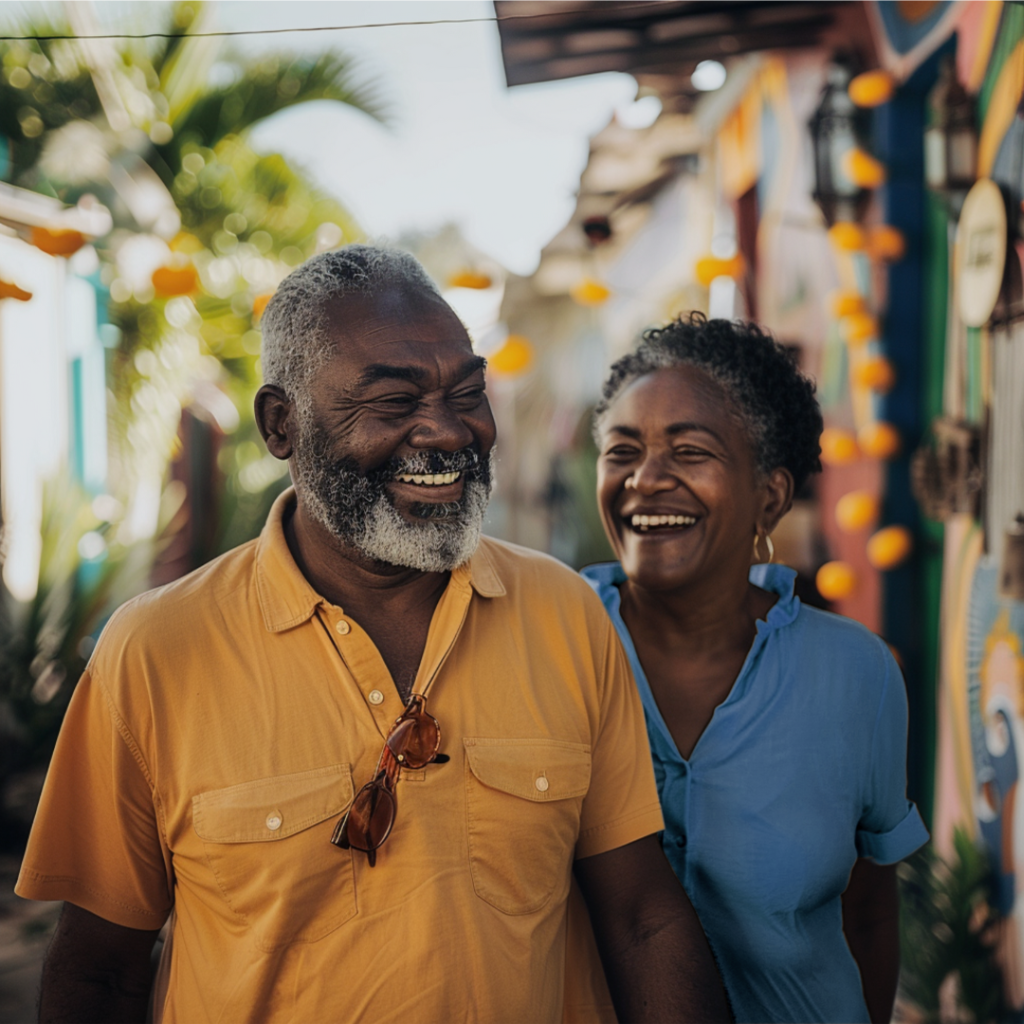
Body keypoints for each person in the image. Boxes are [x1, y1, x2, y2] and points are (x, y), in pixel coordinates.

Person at [16, 247, 730, 1024]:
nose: (449, 432)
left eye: (468, 393)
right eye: (393, 402)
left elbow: (641, 918)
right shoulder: (155, 652)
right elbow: (98, 973)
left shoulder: (565, 614)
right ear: (281, 425)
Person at [582, 312, 929, 1024]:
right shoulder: (548, 643)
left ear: (769, 494)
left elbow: (867, 914)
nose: (646, 480)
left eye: (690, 451)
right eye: (623, 450)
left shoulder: (854, 674)